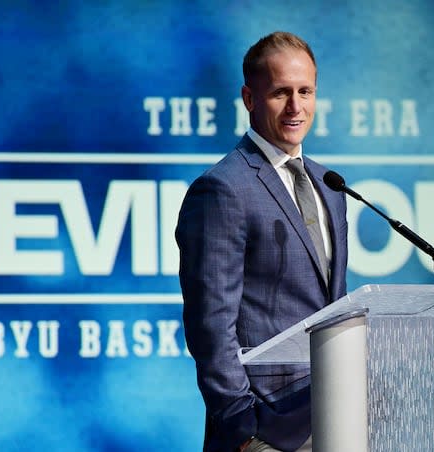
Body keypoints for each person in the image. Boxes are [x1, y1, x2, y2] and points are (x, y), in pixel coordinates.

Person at [176, 31, 348, 452]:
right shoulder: (222, 189)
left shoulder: (330, 185)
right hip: (265, 430)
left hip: (337, 416)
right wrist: (242, 427)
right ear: (249, 99)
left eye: (305, 91)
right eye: (280, 93)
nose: (296, 107)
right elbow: (211, 325)